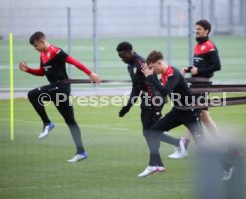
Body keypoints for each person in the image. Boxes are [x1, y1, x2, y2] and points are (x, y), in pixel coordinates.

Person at [139, 50, 233, 180]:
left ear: (159, 63)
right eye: (150, 69)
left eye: (152, 67)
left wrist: (150, 77)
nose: (152, 71)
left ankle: (227, 167)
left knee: (202, 145)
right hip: (177, 111)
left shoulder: (173, 73)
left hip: (191, 112)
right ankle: (155, 165)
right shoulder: (164, 74)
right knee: (153, 131)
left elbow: (165, 91)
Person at [19, 31, 101, 163]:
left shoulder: (55, 51)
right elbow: (41, 72)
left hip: (61, 87)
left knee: (32, 94)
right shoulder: (42, 55)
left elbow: (75, 62)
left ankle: (47, 123)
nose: (35, 49)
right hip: (55, 89)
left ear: (42, 41)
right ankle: (81, 152)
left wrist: (91, 74)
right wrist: (28, 69)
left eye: (36, 45)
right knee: (70, 121)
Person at [116, 42, 183, 171]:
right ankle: (162, 159)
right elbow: (136, 87)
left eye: (123, 56)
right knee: (149, 132)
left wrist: (156, 104)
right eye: (120, 57)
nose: (122, 59)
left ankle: (156, 164)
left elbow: (152, 84)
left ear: (130, 52)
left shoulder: (142, 63)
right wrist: (128, 106)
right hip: (146, 99)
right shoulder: (130, 66)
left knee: (149, 132)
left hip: (154, 99)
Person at [168, 19, 221, 159]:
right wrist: (190, 69)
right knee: (204, 116)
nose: (196, 31)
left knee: (193, 114)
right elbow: (199, 67)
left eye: (199, 29)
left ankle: (183, 146)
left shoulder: (209, 46)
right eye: (195, 29)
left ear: (207, 31)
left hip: (203, 85)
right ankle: (222, 145)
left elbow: (216, 66)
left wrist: (198, 70)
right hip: (196, 84)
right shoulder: (198, 45)